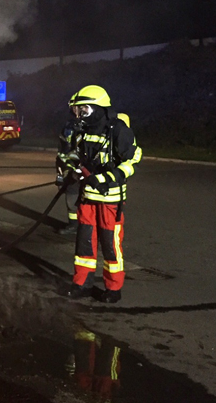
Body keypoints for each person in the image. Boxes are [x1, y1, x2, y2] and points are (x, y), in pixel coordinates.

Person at [63, 85, 142, 303]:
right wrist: (74, 173)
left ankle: (113, 288)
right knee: (84, 243)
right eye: (79, 110)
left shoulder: (118, 130)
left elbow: (133, 159)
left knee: (110, 244)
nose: (80, 115)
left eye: (84, 109)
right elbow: (77, 157)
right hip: (88, 197)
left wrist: (109, 177)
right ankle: (82, 284)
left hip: (110, 199)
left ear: (98, 108)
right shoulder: (82, 131)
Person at [56, 97, 83, 235]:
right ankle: (73, 225)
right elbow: (62, 151)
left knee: (88, 200)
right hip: (71, 171)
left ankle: (89, 227)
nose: (75, 110)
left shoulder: (91, 126)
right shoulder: (69, 126)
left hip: (87, 172)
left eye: (77, 107)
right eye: (73, 107)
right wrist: (60, 174)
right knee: (71, 197)